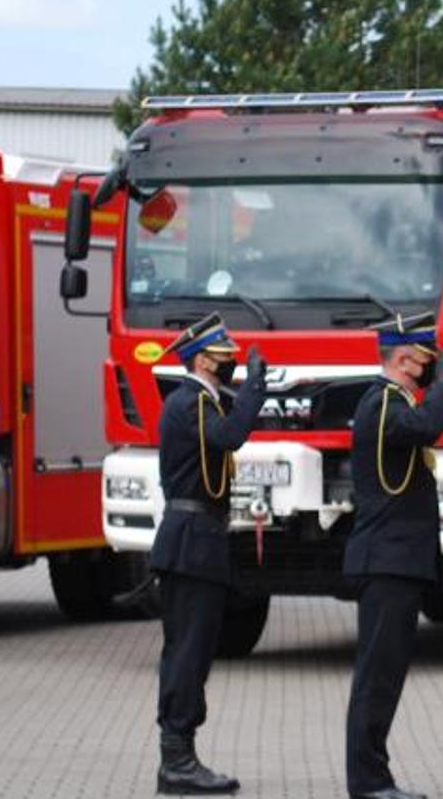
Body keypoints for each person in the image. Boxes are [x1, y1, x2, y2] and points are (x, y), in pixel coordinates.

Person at [344, 318, 443, 799]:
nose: (433, 366)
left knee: (385, 675)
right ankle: (369, 782)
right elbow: (427, 427)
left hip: (397, 562)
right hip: (386, 562)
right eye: (427, 358)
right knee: (377, 677)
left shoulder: (395, 403)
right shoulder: (382, 404)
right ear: (405, 359)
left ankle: (374, 776)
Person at [151, 313, 267, 795]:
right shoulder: (190, 404)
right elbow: (230, 435)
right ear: (202, 359)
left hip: (199, 541)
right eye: (226, 357)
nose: (233, 364)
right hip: (191, 541)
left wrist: (259, 392)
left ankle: (182, 756)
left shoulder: (203, 402)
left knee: (194, 652)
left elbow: (231, 420)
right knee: (188, 652)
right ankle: (176, 761)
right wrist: (258, 388)